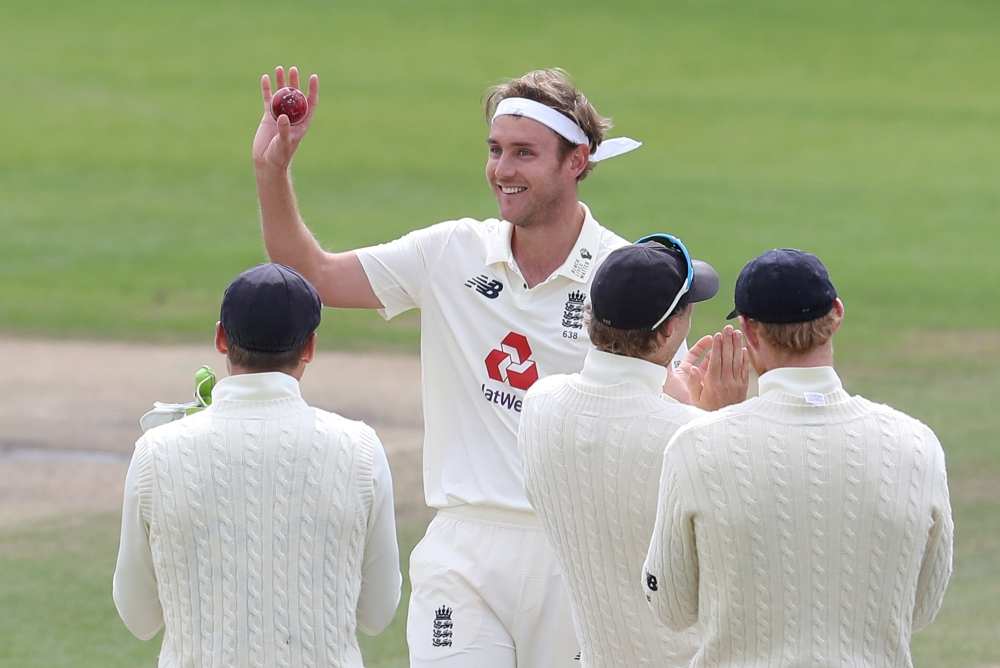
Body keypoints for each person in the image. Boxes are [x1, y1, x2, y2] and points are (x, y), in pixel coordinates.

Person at [252, 65, 735, 667]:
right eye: (495, 150)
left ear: (577, 160)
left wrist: (713, 413)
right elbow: (315, 276)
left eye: (524, 153)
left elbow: (669, 407)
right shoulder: (451, 250)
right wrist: (271, 173)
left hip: (574, 556)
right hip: (462, 551)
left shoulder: (624, 273)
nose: (503, 169)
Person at [644, 249, 954, 667]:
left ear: (749, 330)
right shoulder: (918, 444)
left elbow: (671, 608)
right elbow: (922, 607)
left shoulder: (696, 445)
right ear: (836, 314)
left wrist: (713, 425)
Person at [113, 263, 401, 668]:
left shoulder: (156, 452)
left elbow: (138, 616)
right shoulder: (360, 448)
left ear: (221, 338)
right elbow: (377, 613)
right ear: (309, 347)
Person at [518, 235, 749, 668]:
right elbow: (739, 564)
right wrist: (718, 422)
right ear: (667, 330)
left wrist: (680, 407)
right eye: (688, 309)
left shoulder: (539, 403)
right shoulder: (695, 435)